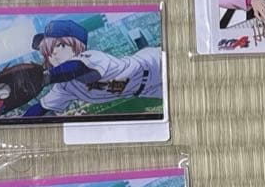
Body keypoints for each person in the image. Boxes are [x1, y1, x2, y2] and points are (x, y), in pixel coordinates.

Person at [18, 19, 162, 117]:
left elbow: (77, 68)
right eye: (47, 52)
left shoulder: (91, 57)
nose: (53, 54)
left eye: (60, 45)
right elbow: (41, 108)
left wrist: (44, 78)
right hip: (145, 91)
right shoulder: (65, 87)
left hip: (154, 64)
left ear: (77, 45)